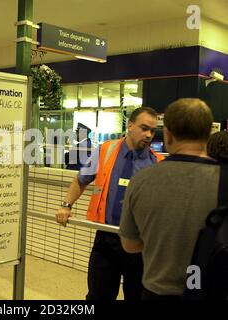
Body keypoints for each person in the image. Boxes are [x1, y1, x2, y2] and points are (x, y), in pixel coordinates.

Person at [56, 107, 164, 300]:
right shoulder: (106, 150)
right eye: (144, 128)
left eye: (152, 131)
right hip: (106, 240)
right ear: (130, 126)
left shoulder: (157, 163)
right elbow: (80, 180)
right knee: (98, 296)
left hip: (140, 244)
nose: (149, 135)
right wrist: (66, 205)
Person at [119, 98, 221, 300]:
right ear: (208, 133)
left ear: (167, 134)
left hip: (158, 291)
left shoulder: (141, 181)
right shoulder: (223, 179)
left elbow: (130, 245)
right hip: (211, 291)